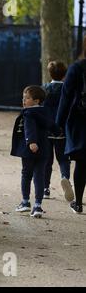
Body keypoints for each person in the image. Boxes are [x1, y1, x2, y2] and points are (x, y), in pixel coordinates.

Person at [11, 86, 54, 218]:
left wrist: (31, 141)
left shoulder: (28, 113)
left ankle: (25, 202)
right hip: (44, 149)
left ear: (36, 100)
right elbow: (52, 126)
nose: (23, 100)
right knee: (39, 176)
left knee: (26, 174)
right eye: (23, 97)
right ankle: (38, 205)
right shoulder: (46, 111)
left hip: (29, 149)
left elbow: (29, 127)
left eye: (27, 98)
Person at [56, 38, 86, 214]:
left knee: (82, 162)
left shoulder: (76, 68)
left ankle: (79, 202)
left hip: (79, 119)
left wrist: (58, 123)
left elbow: (65, 97)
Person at [42, 61, 74, 202]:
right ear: (64, 75)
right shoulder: (68, 89)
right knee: (63, 159)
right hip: (62, 130)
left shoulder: (44, 89)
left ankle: (45, 189)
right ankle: (65, 177)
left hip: (47, 130)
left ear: (50, 73)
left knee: (46, 160)